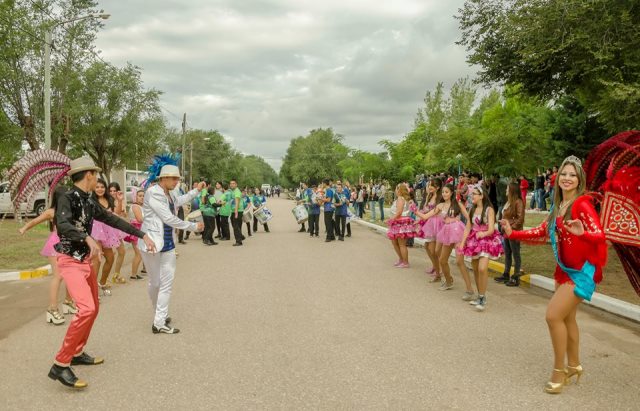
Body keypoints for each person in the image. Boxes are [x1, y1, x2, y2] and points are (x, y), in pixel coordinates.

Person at [501, 156, 607, 394]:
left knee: (552, 316)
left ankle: (559, 370)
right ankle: (575, 364)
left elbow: (600, 235)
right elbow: (542, 231)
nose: (567, 178)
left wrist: (583, 233)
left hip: (580, 272)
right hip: (564, 269)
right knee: (567, 319)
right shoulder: (559, 206)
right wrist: (512, 233)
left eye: (572, 174)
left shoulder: (582, 204)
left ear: (579, 180)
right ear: (557, 178)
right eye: (564, 174)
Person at [48, 157, 155, 389]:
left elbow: (110, 218)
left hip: (85, 260)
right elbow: (63, 224)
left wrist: (142, 234)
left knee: (93, 308)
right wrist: (86, 236)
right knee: (85, 309)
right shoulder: (66, 197)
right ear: (88, 175)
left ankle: (76, 351)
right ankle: (60, 364)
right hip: (70, 260)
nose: (97, 178)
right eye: (95, 174)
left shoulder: (88, 199)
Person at [138, 161, 204, 335]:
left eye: (177, 179)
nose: (177, 182)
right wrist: (192, 226)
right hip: (152, 243)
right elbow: (168, 218)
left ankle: (159, 321)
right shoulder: (153, 193)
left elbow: (180, 200)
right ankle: (158, 314)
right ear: (164, 178)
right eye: (174, 178)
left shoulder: (171, 193)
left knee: (166, 284)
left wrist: (196, 190)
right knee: (155, 283)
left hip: (168, 243)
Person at [19, 188, 77, 325]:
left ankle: (68, 302)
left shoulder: (71, 211)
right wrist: (24, 228)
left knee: (70, 274)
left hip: (70, 245)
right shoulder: (52, 212)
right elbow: (35, 221)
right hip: (55, 245)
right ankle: (52, 309)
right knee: (58, 276)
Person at [460, 186, 504, 311]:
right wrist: (463, 242)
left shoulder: (489, 210)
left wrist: (483, 234)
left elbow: (491, 229)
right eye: (471, 194)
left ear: (481, 195)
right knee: (475, 269)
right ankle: (480, 295)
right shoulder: (472, 210)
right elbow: (468, 227)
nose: (471, 196)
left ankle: (483, 298)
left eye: (474, 194)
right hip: (474, 241)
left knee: (482, 268)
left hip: (486, 240)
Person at [92, 178, 123, 295]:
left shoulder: (109, 199)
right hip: (95, 233)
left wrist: (119, 201)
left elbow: (117, 214)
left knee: (110, 259)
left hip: (107, 232)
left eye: (102, 187)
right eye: (97, 187)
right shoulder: (91, 200)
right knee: (97, 261)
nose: (100, 189)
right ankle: (93, 290)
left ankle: (102, 283)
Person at [494, 182, 525, 285]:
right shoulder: (508, 202)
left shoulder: (518, 202)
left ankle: (516, 277)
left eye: (507, 189)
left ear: (512, 190)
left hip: (513, 232)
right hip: (506, 232)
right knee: (507, 253)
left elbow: (520, 219)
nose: (506, 190)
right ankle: (506, 274)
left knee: (516, 254)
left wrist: (510, 228)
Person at [415, 178, 444, 281]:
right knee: (427, 247)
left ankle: (439, 269)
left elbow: (434, 212)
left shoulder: (440, 198)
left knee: (434, 250)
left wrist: (418, 213)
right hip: (429, 222)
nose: (430, 187)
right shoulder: (429, 196)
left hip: (437, 224)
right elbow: (425, 209)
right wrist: (418, 219)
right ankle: (434, 266)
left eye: (432, 185)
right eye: (429, 185)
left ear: (438, 187)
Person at [386, 184, 415, 268]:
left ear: (399, 190)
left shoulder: (400, 199)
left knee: (401, 244)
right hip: (399, 223)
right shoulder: (403, 199)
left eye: (396, 188)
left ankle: (405, 262)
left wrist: (390, 220)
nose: (395, 190)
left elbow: (399, 212)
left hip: (400, 223)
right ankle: (401, 259)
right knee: (395, 242)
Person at [108, 182, 128, 283]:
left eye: (114, 191)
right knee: (109, 255)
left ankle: (116, 274)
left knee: (122, 252)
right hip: (106, 229)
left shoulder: (120, 200)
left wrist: (124, 213)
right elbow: (116, 212)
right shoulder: (106, 200)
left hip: (116, 228)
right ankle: (104, 278)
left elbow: (123, 214)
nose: (112, 193)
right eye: (110, 191)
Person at [123, 188, 145, 280]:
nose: (142, 198)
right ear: (135, 197)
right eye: (140, 196)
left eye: (144, 196)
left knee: (144, 252)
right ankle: (133, 274)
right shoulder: (135, 206)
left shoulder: (141, 206)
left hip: (141, 230)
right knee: (138, 253)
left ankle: (144, 269)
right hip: (136, 231)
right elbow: (140, 219)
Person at [229, 179, 244, 246]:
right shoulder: (233, 191)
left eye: (233, 183)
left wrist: (236, 212)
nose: (231, 184)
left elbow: (237, 202)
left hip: (237, 211)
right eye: (231, 183)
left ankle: (239, 241)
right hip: (234, 211)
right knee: (236, 226)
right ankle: (241, 236)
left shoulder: (237, 191)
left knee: (235, 226)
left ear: (236, 184)